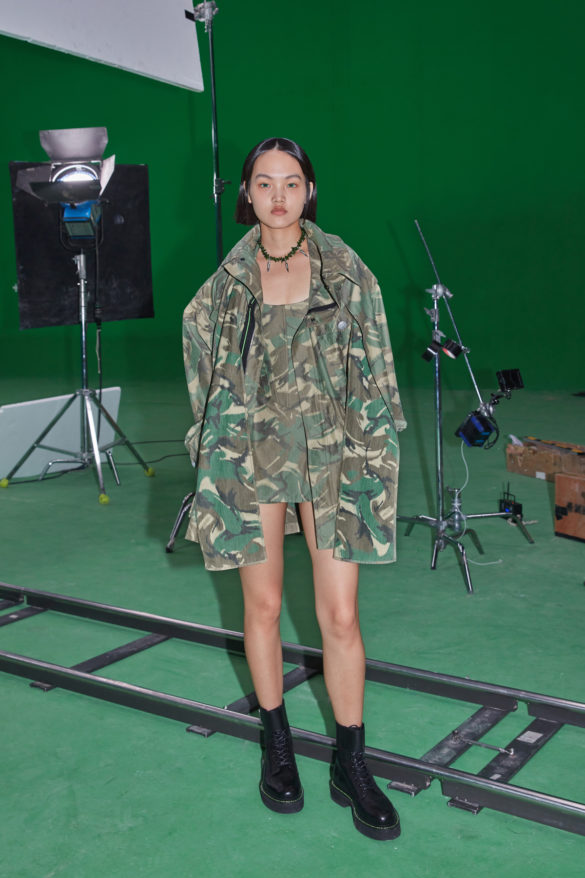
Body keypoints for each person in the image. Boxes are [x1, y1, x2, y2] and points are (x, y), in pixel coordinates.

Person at [183, 137, 406, 841]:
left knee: (339, 615)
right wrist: (213, 438)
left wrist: (378, 437)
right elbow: (199, 351)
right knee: (264, 605)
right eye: (263, 183)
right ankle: (276, 744)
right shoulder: (227, 282)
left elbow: (376, 355)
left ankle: (350, 760)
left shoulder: (344, 267)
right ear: (245, 193)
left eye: (290, 182)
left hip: (332, 455)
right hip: (253, 458)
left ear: (309, 190)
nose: (277, 196)